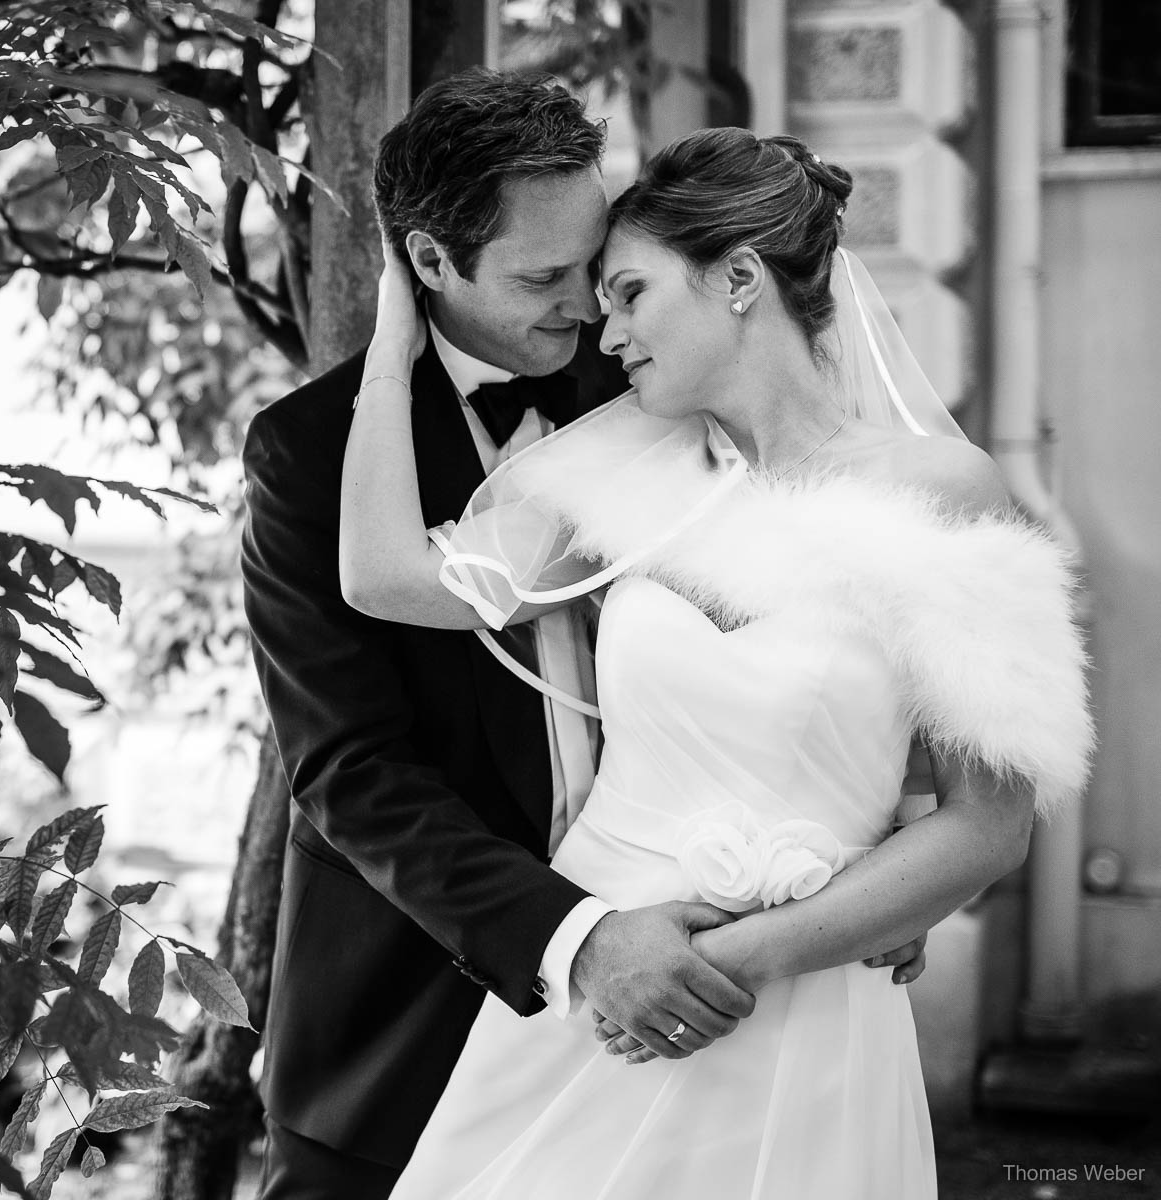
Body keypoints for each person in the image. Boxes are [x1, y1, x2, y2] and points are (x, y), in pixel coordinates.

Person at [340, 124, 1093, 1199]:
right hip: (598, 987)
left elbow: (990, 820)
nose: (606, 336)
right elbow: (382, 579)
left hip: (801, 1000)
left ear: (739, 278)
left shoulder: (943, 494)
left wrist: (741, 960)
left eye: (631, 295)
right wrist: (388, 345)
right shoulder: (616, 470)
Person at [241, 71, 925, 1198]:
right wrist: (582, 938)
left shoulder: (661, 385)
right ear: (427, 265)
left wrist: (884, 859)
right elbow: (352, 771)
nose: (587, 314)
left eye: (599, 269)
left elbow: (830, 624)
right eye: (544, 279)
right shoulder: (310, 460)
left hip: (689, 1011)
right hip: (410, 1013)